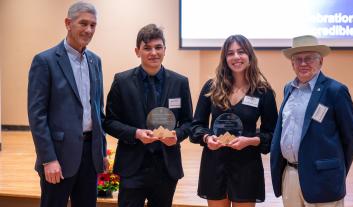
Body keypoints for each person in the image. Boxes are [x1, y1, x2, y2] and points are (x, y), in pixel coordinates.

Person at [103, 24, 193, 207]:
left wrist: (177, 136)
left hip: (166, 167)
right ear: (137, 51)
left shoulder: (180, 82)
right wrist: (136, 133)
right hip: (132, 166)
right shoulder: (122, 81)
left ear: (165, 50)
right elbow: (110, 122)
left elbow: (188, 122)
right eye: (147, 48)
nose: (154, 52)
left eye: (158, 47)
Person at [27, 2, 107, 207]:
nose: (88, 30)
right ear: (68, 23)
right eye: (83, 23)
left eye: (93, 25)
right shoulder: (45, 61)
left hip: (90, 155)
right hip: (59, 157)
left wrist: (101, 151)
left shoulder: (95, 61)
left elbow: (98, 110)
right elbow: (37, 116)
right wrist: (48, 159)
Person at [270, 35, 353, 207]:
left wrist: (335, 170)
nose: (303, 63)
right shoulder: (288, 88)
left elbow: (351, 137)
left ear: (321, 61)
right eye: (298, 59)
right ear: (292, 64)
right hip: (290, 176)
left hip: (323, 179)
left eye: (309, 58)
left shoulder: (336, 91)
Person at [190, 34, 278, 207]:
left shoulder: (262, 92)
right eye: (230, 53)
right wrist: (208, 138)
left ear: (250, 56)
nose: (236, 57)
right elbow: (196, 127)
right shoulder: (211, 87)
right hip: (215, 165)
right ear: (225, 58)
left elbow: (272, 134)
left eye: (241, 52)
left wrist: (251, 141)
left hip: (247, 166)